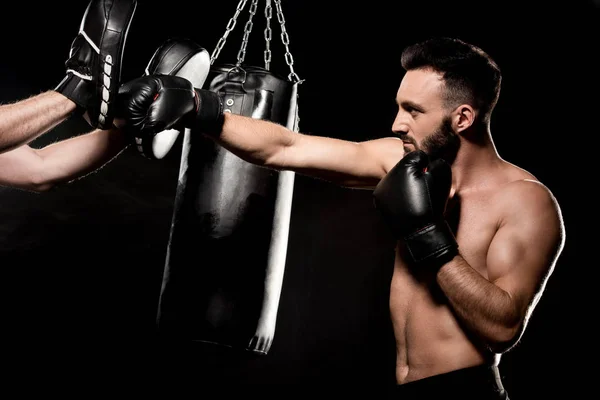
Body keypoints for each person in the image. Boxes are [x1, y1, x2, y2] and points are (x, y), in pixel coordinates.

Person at [117, 36, 566, 397]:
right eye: (399, 106)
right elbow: (286, 147)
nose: (396, 123)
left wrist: (428, 233)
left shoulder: (526, 202)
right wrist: (204, 109)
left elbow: (504, 327)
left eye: (413, 111)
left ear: (463, 118)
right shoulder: (402, 162)